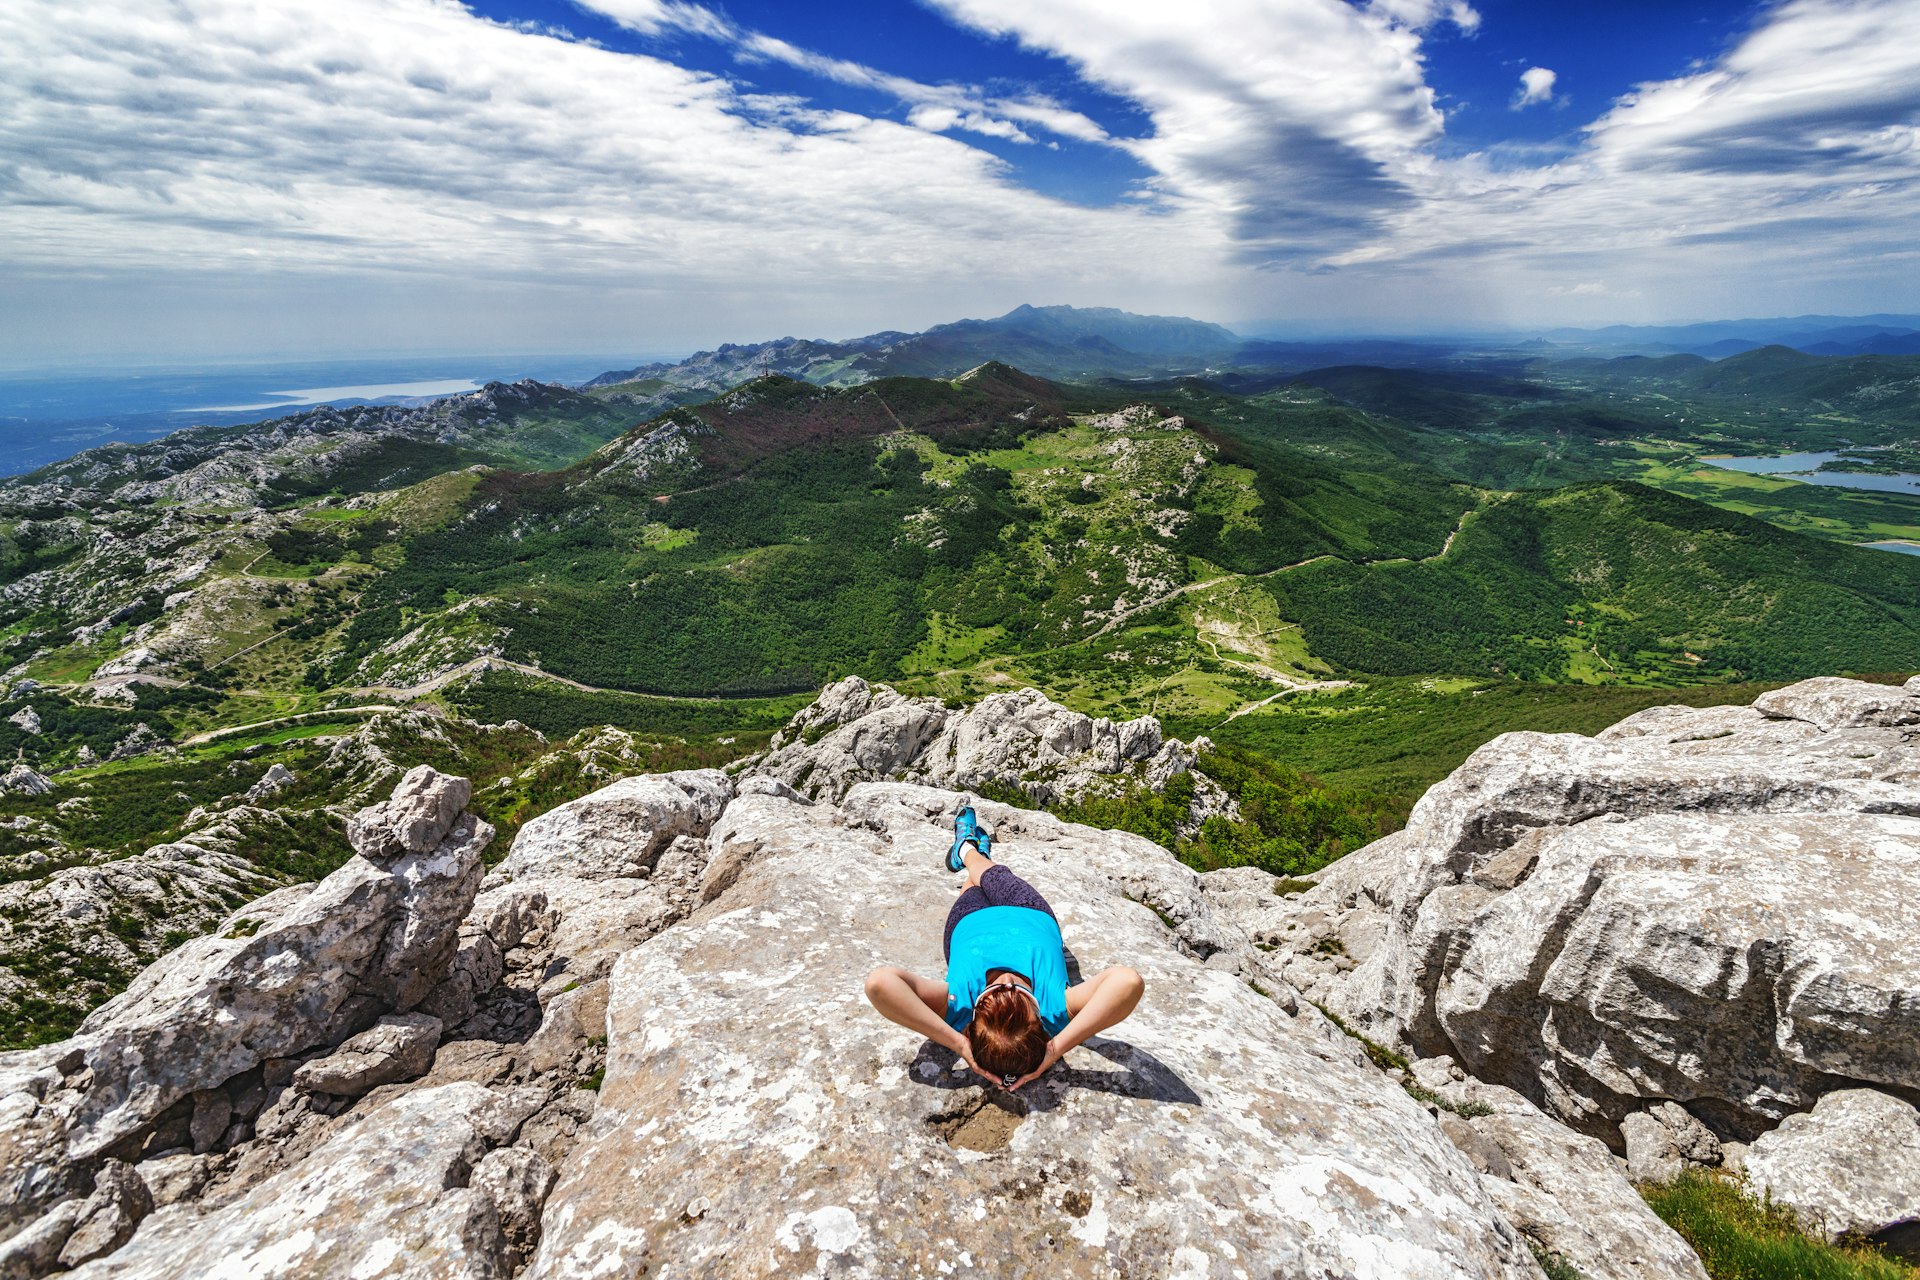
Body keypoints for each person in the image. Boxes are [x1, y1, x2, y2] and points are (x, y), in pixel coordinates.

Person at [863, 805, 1145, 1090]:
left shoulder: (959, 1003)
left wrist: (959, 1044)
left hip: (968, 921)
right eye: (1021, 995)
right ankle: (972, 853)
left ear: (974, 1020)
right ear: (1039, 1019)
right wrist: (1055, 1050)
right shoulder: (1055, 1009)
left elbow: (880, 984)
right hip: (1029, 912)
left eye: (993, 994)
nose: (1008, 980)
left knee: (976, 880)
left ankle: (967, 850)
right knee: (992, 875)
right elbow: (1128, 982)